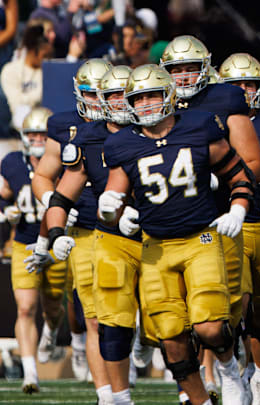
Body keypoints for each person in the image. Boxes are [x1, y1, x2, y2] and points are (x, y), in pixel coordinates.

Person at [100, 64, 253, 405]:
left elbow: (239, 175)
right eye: (139, 98)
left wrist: (239, 209)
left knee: (210, 327)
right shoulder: (122, 144)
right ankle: (200, 401)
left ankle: (228, 367)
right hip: (155, 247)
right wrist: (114, 211)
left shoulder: (198, 127)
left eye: (153, 95)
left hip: (200, 239)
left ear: (168, 95)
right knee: (170, 337)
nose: (147, 104)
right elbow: (113, 199)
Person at [157, 35, 260, 404]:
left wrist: (217, 179)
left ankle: (230, 369)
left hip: (217, 223)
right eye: (176, 70)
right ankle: (192, 392)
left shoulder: (225, 98)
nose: (184, 77)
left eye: (191, 68)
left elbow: (253, 165)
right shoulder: (151, 103)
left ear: (206, 68)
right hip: (167, 226)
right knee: (172, 322)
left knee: (222, 317)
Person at [42, 65, 145, 405]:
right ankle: (108, 395)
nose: (107, 100)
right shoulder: (76, 132)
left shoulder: (151, 125)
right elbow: (51, 182)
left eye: (116, 92)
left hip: (155, 232)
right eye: (99, 93)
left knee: (166, 317)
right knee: (97, 317)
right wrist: (53, 230)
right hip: (93, 231)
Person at [29, 58, 113, 404]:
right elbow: (42, 176)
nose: (95, 101)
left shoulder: (132, 122)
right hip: (84, 229)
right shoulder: (64, 125)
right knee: (93, 318)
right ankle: (107, 393)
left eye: (101, 93)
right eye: (89, 93)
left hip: (133, 228)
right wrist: (56, 206)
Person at [0, 106, 67, 395]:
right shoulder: (13, 163)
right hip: (25, 244)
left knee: (53, 308)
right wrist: (7, 211)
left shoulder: (63, 161)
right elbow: (3, 194)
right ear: (24, 136)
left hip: (56, 245)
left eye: (43, 133)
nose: (38, 139)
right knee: (25, 308)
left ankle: (51, 330)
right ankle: (30, 374)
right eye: (33, 134)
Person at [0, 25, 52, 132]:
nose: (47, 59)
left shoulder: (49, 69)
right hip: (18, 128)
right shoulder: (11, 70)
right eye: (44, 55)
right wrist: (40, 95)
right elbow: (16, 104)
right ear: (32, 50)